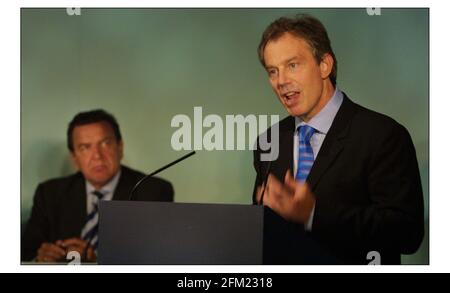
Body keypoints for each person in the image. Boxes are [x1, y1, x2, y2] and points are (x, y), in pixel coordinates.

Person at [253, 15, 424, 264]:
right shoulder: (269, 140)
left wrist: (312, 214)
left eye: (292, 65)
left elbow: (406, 233)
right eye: (273, 71)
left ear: (325, 64)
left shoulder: (383, 135)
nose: (281, 81)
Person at [22, 109, 174, 262]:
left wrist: (98, 262)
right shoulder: (49, 194)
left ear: (120, 148)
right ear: (74, 157)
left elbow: (159, 259)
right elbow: (26, 253)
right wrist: (40, 258)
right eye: (85, 147)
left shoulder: (154, 191)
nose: (97, 156)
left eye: (105, 143)